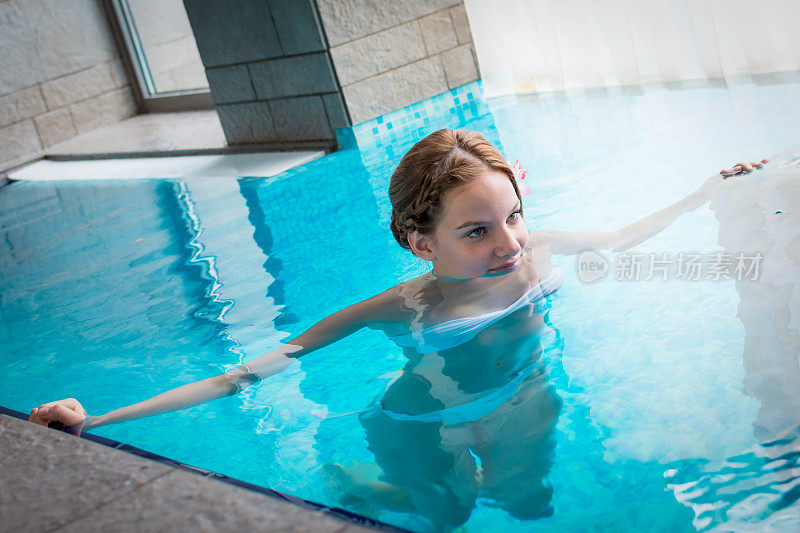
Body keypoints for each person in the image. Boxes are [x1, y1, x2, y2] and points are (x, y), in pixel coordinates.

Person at [28, 129, 766, 528]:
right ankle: (356, 479)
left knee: (523, 499)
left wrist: (708, 190)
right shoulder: (400, 308)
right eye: (476, 230)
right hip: (422, 421)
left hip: (521, 392)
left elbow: (623, 237)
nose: (508, 243)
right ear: (422, 242)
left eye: (513, 215)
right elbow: (241, 375)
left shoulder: (535, 252)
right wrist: (96, 419)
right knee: (445, 516)